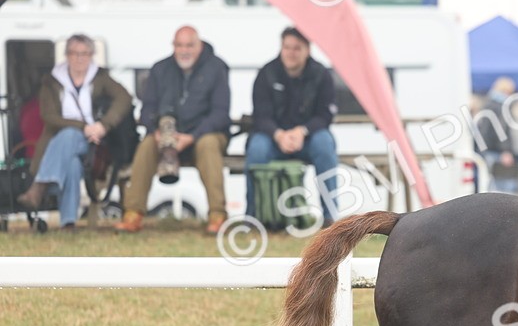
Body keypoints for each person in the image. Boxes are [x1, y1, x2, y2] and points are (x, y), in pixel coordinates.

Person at [114, 26, 231, 234]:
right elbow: (148, 107)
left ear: (200, 45)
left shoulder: (217, 68)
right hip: (166, 135)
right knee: (147, 144)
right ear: (173, 46)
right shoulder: (160, 69)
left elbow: (220, 113)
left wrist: (192, 137)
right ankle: (133, 213)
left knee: (208, 145)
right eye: (179, 45)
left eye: (189, 45)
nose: (184, 50)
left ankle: (217, 214)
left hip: (204, 134)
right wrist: (156, 131)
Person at [16, 34, 131, 231]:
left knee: (70, 137)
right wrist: (82, 127)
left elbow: (124, 98)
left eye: (84, 54)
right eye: (75, 53)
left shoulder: (101, 78)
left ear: (91, 55)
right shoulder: (51, 82)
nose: (79, 58)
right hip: (59, 141)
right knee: (72, 162)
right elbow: (49, 116)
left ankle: (40, 186)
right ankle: (68, 222)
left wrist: (103, 126)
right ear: (67, 55)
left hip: (94, 144)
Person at [245, 26, 339, 226]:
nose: (291, 53)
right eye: (287, 47)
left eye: (297, 48)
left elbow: (325, 114)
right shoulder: (266, 73)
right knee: (256, 149)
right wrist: (278, 135)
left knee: (324, 144)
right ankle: (253, 216)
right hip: (273, 138)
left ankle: (330, 218)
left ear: (308, 50)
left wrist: (301, 132)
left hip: (308, 138)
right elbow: (260, 116)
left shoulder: (321, 74)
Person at [475, 77, 518, 194]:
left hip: (486, 150)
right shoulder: (501, 106)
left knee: (488, 184)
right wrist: (505, 151)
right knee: (504, 188)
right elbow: (501, 131)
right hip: (497, 151)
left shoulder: (487, 103)